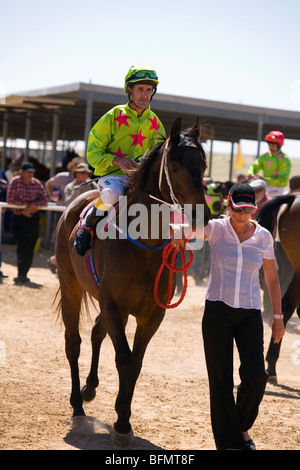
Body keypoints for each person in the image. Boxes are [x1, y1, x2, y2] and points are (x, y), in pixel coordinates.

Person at [172, 182, 285, 450]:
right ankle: (230, 442)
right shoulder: (216, 228)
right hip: (217, 312)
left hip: (250, 313)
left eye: (247, 210)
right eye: (237, 209)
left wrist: (278, 317)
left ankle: (241, 427)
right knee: (220, 379)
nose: (242, 215)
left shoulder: (264, 237)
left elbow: (271, 278)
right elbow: (185, 229)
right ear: (228, 205)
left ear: (253, 210)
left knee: (257, 375)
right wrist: (177, 229)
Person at [74, 65, 166, 256]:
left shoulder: (155, 122)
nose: (145, 94)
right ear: (129, 90)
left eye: (149, 90)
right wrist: (117, 161)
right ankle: (87, 225)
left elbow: (160, 157)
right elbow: (92, 153)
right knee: (113, 194)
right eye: (140, 89)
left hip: (140, 180)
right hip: (112, 178)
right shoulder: (113, 116)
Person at [6, 162, 48, 284]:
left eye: (32, 172)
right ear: (22, 172)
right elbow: (10, 199)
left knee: (30, 246)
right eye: (28, 171)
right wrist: (25, 208)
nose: (30, 174)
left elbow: (44, 200)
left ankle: (24, 273)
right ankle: (21, 273)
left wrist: (32, 207)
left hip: (33, 218)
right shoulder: (15, 182)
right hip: (19, 218)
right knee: (22, 245)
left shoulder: (37, 183)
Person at [247, 131, 291, 197]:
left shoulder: (284, 159)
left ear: (279, 146)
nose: (270, 148)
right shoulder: (265, 156)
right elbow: (254, 166)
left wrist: (266, 180)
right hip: (264, 187)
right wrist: (251, 173)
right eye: (269, 145)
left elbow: (283, 181)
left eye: (273, 145)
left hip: (276, 189)